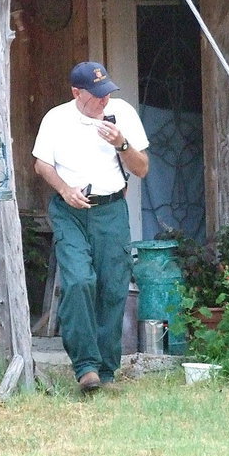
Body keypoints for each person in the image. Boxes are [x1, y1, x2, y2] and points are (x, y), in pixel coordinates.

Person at [32, 61, 149, 393]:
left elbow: (142, 169)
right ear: (76, 92)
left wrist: (122, 144)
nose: (103, 101)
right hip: (70, 211)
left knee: (113, 288)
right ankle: (85, 366)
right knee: (80, 281)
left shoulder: (122, 114)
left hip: (111, 210)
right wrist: (65, 190)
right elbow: (41, 164)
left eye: (107, 93)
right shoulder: (57, 119)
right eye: (96, 96)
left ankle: (107, 371)